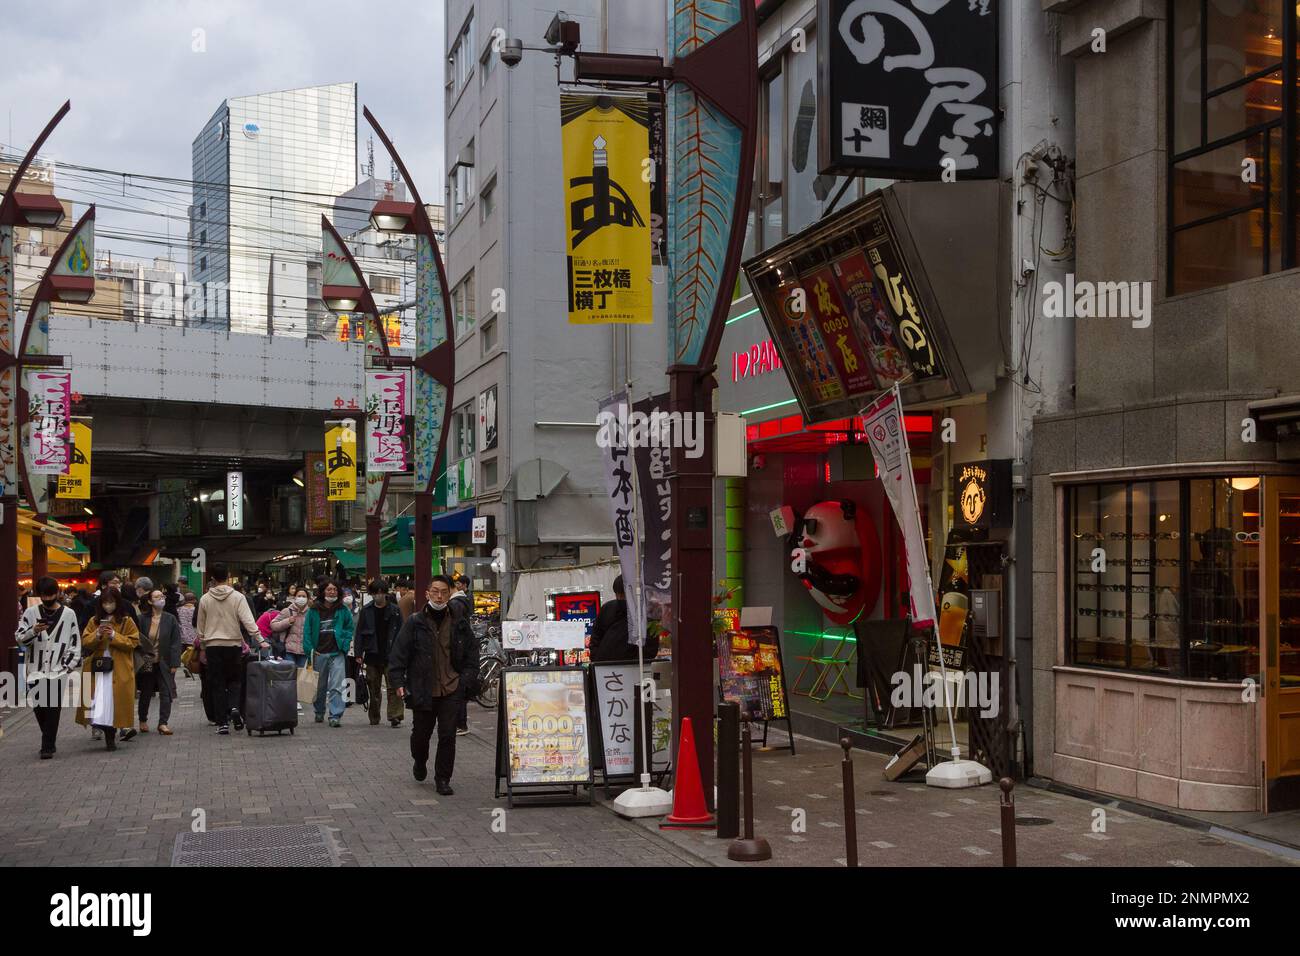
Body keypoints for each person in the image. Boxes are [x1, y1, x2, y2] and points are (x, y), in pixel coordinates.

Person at [388, 575, 479, 794]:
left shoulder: (459, 622)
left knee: (447, 735)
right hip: (423, 688)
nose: (439, 596)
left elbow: (472, 655)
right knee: (421, 735)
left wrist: (465, 681)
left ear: (450, 594)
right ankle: (420, 761)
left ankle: (443, 778)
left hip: (451, 687)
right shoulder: (415, 622)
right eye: (435, 591)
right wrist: (398, 681)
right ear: (427, 594)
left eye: (444, 592)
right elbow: (399, 655)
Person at [15, 576, 82, 759]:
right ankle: (48, 739)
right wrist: (33, 631)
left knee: (53, 708)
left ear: (57, 593)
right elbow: (19, 638)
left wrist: (68, 666)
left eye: (50, 594)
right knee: (39, 708)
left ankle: (47, 746)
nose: (47, 598)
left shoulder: (69, 614)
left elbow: (74, 641)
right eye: (43, 595)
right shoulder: (30, 613)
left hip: (58, 670)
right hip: (35, 670)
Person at [196, 563, 263, 735]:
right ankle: (234, 707)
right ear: (228, 577)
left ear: (212, 578)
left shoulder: (205, 599)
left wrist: (203, 647)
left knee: (217, 684)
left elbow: (200, 627)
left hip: (212, 646)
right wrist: (260, 639)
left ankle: (222, 723)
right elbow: (248, 620)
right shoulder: (238, 597)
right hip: (233, 645)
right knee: (235, 680)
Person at [75, 587, 141, 751]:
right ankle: (104, 730)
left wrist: (113, 636)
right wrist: (97, 635)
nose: (108, 606)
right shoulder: (94, 621)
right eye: (105, 603)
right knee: (96, 702)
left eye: (111, 602)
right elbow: (85, 641)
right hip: (97, 667)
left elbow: (133, 642)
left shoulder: (126, 621)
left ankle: (111, 736)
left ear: (117, 603)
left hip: (119, 667)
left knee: (113, 702)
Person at [303, 579, 354, 727]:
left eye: (334, 590)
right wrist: (310, 650)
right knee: (319, 686)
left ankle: (335, 715)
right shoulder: (313, 610)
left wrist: (344, 644)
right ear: (323, 591)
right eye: (329, 589)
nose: (332, 592)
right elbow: (307, 631)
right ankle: (319, 711)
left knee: (337, 685)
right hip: (319, 652)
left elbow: (349, 628)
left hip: (336, 653)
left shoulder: (343, 610)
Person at [354, 580, 405, 727]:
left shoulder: (395, 610)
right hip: (372, 654)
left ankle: (395, 716)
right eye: (376, 592)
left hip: (392, 655)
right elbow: (359, 634)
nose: (379, 595)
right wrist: (358, 653)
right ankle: (374, 716)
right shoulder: (366, 611)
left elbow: (402, 633)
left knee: (394, 686)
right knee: (373, 688)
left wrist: (403, 653)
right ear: (371, 594)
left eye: (381, 592)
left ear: (386, 592)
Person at [137, 589, 182, 735]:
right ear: (150, 601)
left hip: (165, 661)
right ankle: (142, 719)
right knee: (146, 691)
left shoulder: (170, 619)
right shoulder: (142, 619)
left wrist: (175, 663)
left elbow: (176, 642)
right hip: (147, 661)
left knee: (166, 692)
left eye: (162, 596)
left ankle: (163, 723)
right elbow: (137, 640)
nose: (160, 599)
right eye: (156, 597)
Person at [589, 575, 659, 663]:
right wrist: (596, 658)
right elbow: (596, 636)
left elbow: (650, 647)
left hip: (632, 668)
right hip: (604, 667)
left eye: (624, 595)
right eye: (618, 595)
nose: (620, 598)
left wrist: (636, 664)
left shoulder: (646, 613)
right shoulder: (607, 608)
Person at [450, 577, 473, 735]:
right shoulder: (463, 601)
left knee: (458, 690)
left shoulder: (455, 604)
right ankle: (459, 722)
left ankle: (460, 723)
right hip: (462, 652)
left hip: (458, 653)